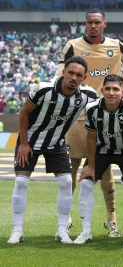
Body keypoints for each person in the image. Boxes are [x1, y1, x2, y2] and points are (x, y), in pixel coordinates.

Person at [57, 8, 123, 237]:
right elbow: (61, 73)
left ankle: (112, 220)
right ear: (85, 24)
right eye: (89, 22)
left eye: (97, 22)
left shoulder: (117, 46)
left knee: (106, 169)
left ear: (104, 24)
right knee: (70, 168)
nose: (93, 26)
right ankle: (66, 217)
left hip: (107, 116)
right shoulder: (72, 45)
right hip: (76, 116)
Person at [8, 57, 98, 244]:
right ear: (63, 72)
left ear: (85, 77)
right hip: (30, 141)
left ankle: (61, 230)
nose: (74, 77)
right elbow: (24, 112)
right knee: (21, 182)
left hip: (56, 143)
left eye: (79, 75)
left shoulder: (88, 95)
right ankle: (17, 230)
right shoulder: (44, 89)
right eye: (71, 73)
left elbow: (105, 104)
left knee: (66, 182)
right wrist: (24, 143)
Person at [73, 74, 123, 246]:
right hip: (101, 150)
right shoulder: (92, 108)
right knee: (86, 184)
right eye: (108, 89)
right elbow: (91, 137)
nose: (111, 93)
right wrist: (90, 165)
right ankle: (86, 231)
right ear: (102, 90)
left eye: (116, 89)